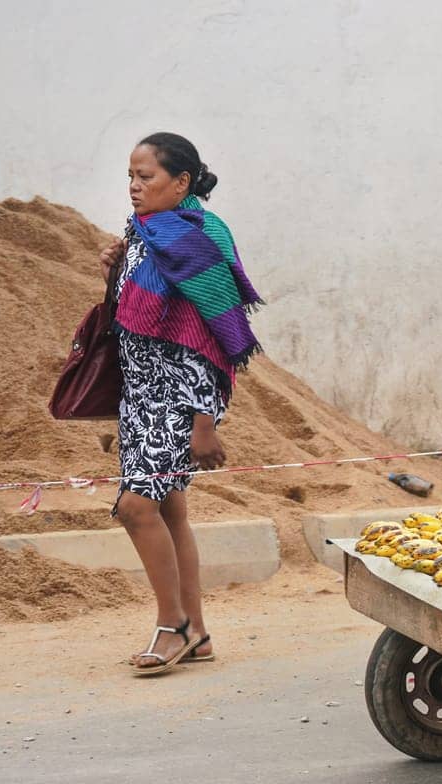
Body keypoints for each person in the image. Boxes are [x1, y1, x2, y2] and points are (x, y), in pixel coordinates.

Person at [97, 132, 264, 676]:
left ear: (182, 182)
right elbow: (140, 312)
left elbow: (207, 334)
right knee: (168, 509)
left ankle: (176, 627)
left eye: (146, 177)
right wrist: (114, 273)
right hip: (141, 394)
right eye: (130, 176)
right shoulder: (144, 232)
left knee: (134, 507)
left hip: (179, 398)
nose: (134, 187)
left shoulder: (198, 238)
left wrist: (203, 421)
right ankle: (199, 631)